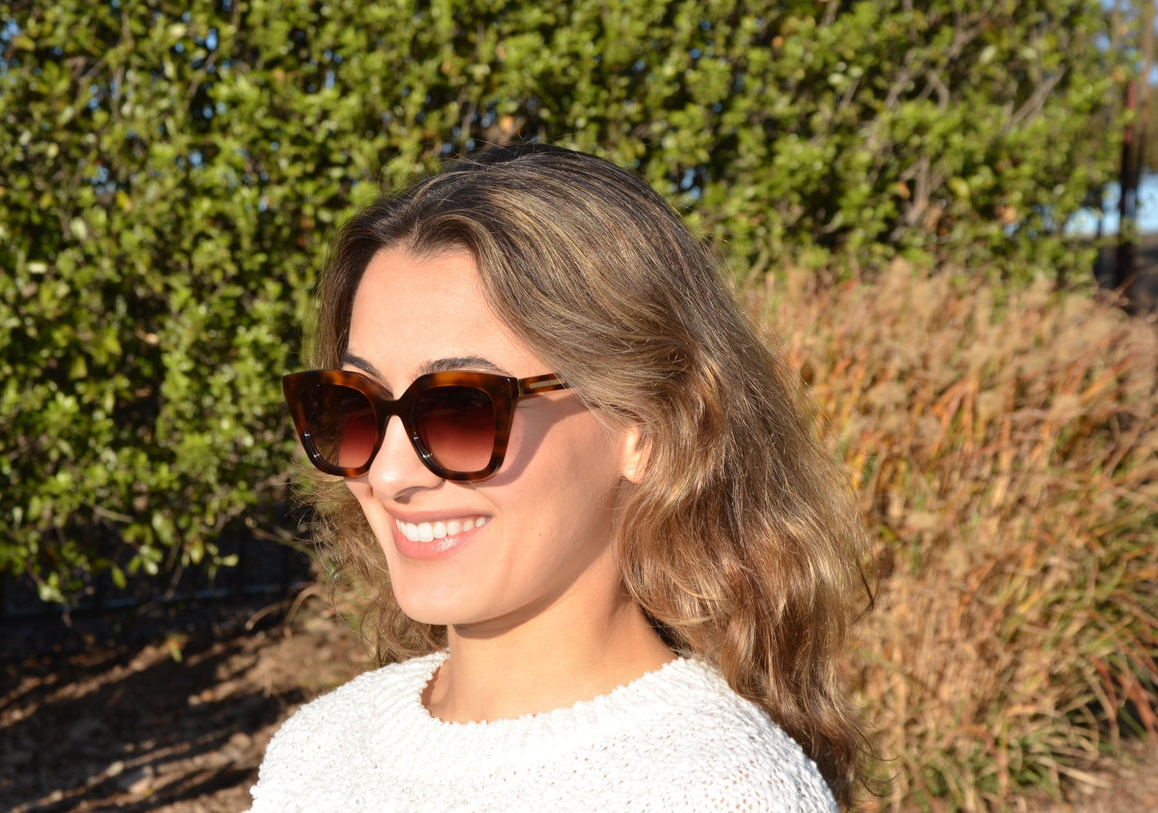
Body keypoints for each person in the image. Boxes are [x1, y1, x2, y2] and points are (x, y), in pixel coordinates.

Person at [250, 143, 872, 812]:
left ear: (645, 426)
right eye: (353, 406)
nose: (389, 470)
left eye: (458, 406)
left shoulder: (721, 792)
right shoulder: (317, 750)